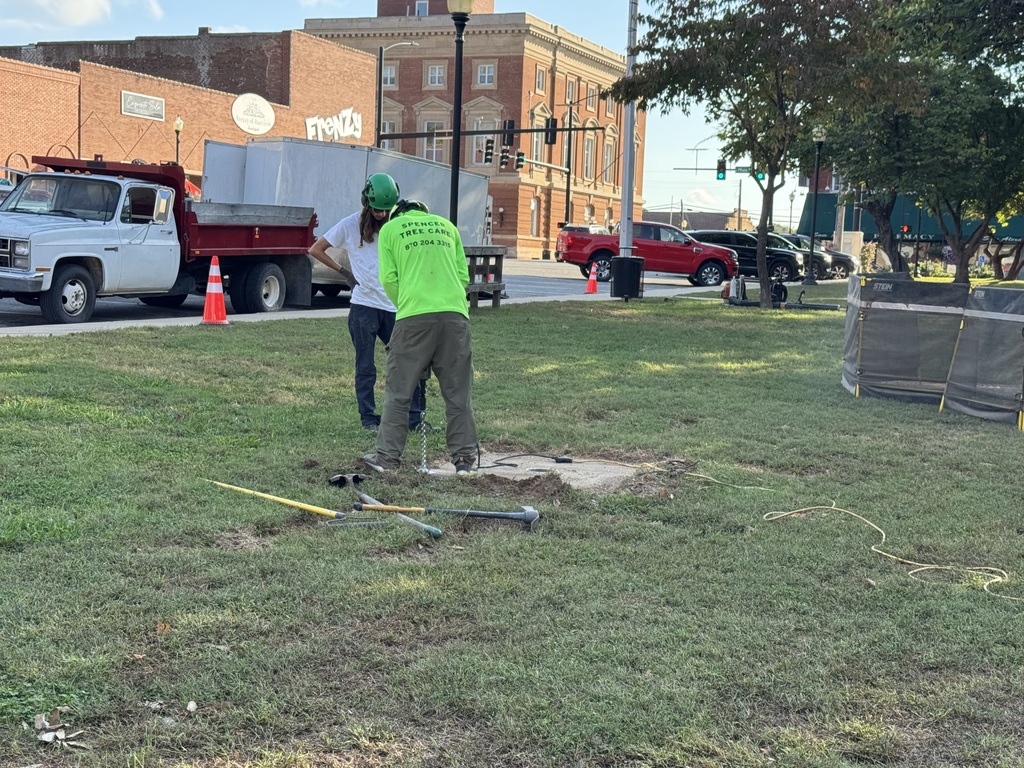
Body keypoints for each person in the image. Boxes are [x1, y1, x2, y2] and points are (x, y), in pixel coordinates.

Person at [361, 198, 478, 475]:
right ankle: (463, 460)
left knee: (400, 392)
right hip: (455, 317)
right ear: (425, 213)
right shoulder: (448, 227)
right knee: (458, 394)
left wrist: (408, 303)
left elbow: (388, 278)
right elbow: (463, 276)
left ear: (398, 214)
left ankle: (387, 460)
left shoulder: (391, 229)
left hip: (413, 316)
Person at [307, 173, 424, 432]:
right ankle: (369, 418)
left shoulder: (398, 225)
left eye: (386, 209)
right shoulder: (350, 225)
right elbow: (315, 249)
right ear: (366, 202)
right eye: (377, 209)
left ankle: (415, 419)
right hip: (364, 307)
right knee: (365, 365)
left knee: (409, 361)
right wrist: (344, 272)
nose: (382, 214)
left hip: (395, 306)